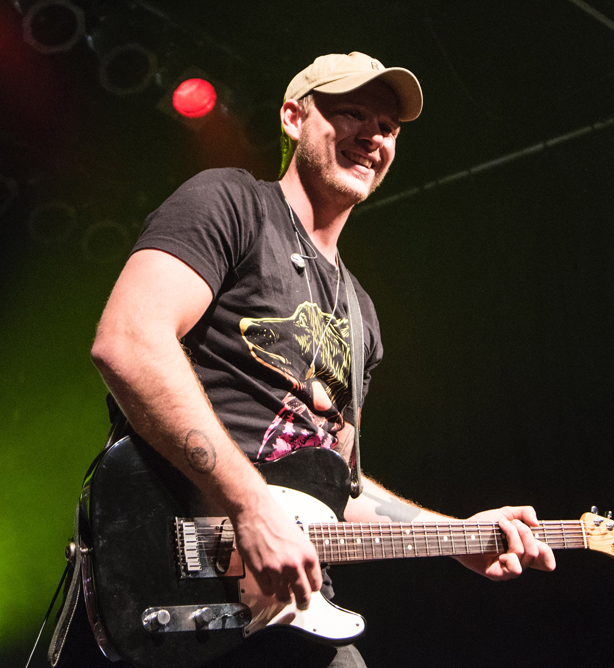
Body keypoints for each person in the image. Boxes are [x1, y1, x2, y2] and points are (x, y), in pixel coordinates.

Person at [77, 51, 556, 667]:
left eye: (388, 127)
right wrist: (250, 506)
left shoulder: (361, 314)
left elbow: (339, 488)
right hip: (179, 583)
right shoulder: (231, 203)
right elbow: (128, 340)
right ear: (293, 117)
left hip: (294, 603)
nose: (374, 136)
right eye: (352, 113)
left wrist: (457, 535)